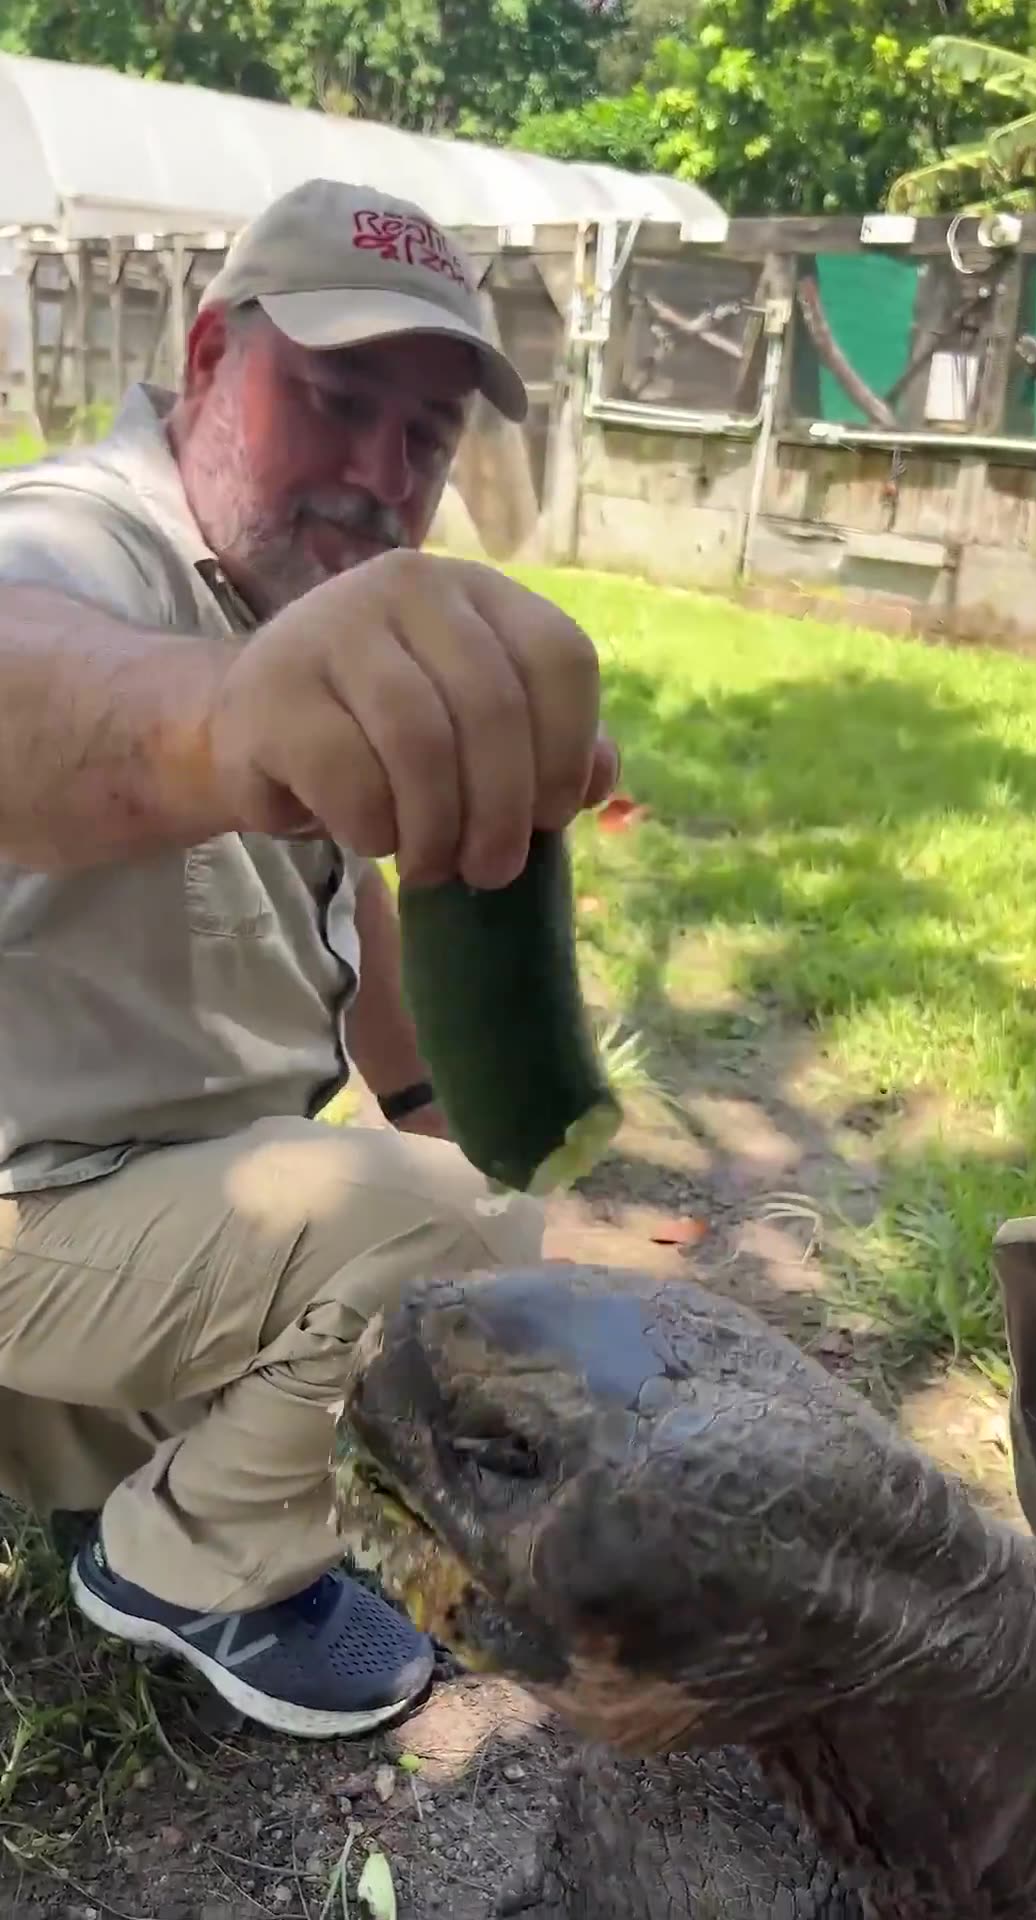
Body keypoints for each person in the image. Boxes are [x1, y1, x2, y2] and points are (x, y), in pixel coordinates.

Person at [0, 178, 618, 1740]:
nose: (378, 473)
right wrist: (220, 719)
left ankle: (138, 1455)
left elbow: (365, 925)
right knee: (425, 1239)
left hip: (127, 1221)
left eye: (423, 438)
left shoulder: (300, 597)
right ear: (207, 358)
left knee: (480, 1245)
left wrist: (479, 1175)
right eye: (336, 399)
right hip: (27, 1222)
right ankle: (185, 1560)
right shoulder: (81, 539)